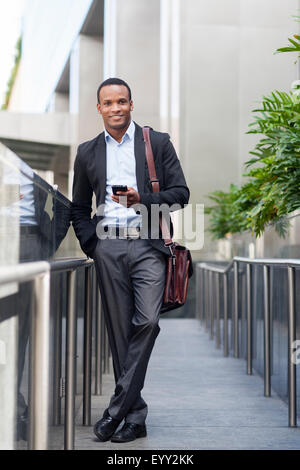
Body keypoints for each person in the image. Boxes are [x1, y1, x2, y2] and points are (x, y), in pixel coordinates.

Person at [71, 77, 189, 443]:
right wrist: (93, 245)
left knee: (148, 322)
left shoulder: (156, 142)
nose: (116, 108)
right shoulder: (87, 152)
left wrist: (141, 200)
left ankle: (115, 411)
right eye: (108, 103)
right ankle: (134, 418)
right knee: (119, 332)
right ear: (99, 108)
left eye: (122, 101)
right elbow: (78, 207)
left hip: (149, 246)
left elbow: (181, 194)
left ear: (131, 104)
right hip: (108, 246)